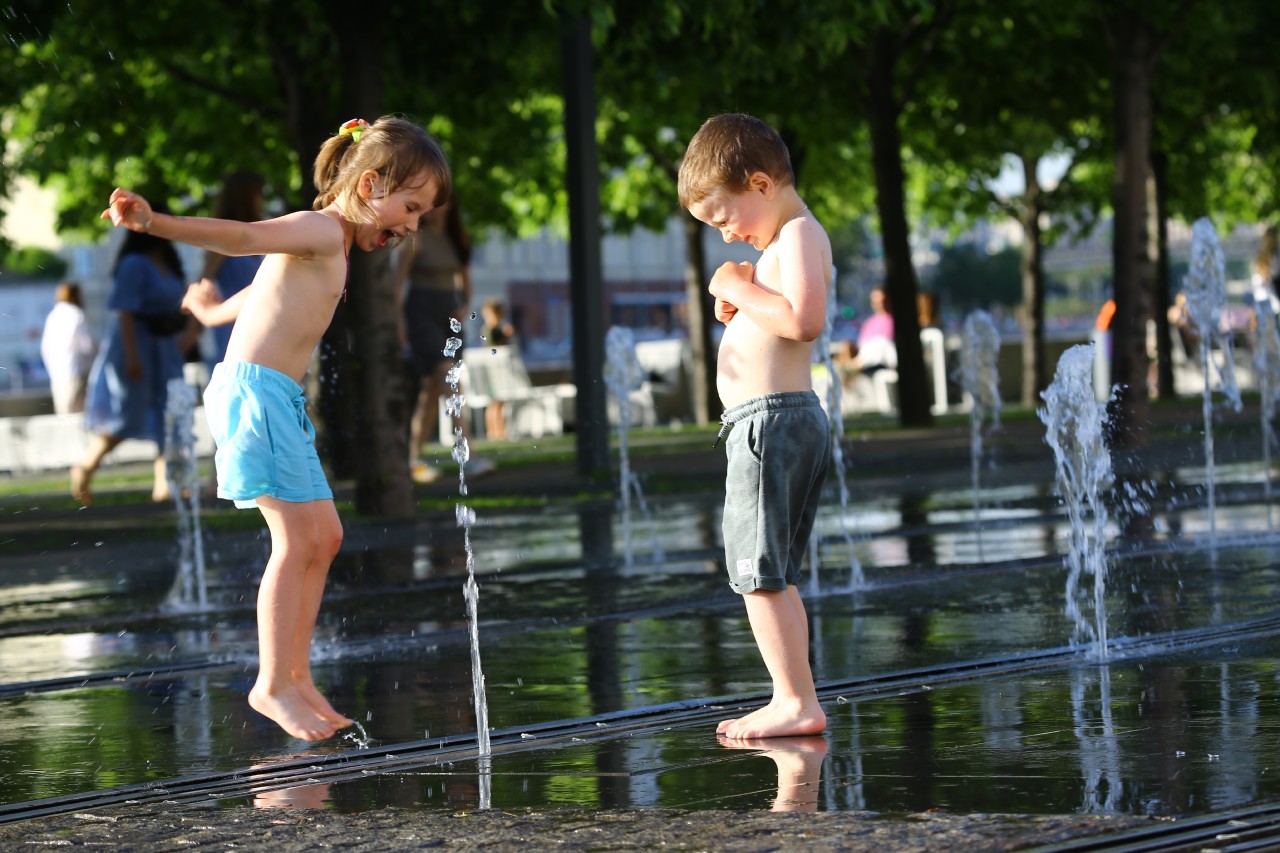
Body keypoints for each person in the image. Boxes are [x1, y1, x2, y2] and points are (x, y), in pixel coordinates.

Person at [104, 115, 452, 741]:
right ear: (370, 184)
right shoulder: (318, 228)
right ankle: (270, 684)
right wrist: (155, 224)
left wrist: (213, 310)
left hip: (277, 399)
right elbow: (242, 238)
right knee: (295, 540)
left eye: (423, 214)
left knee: (326, 535)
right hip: (254, 398)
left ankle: (296, 675)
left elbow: (267, 284)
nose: (413, 225)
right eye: (411, 206)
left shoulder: (330, 239)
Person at [678, 112, 832, 739]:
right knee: (773, 574)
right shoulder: (782, 242)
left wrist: (732, 286)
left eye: (724, 218)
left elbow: (802, 320)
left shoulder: (794, 235)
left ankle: (793, 700)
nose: (725, 237)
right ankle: (795, 696)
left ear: (762, 183)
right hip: (773, 422)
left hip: (770, 424)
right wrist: (743, 293)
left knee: (756, 572)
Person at [73, 209, 199, 505]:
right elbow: (125, 313)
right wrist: (132, 357)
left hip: (164, 346)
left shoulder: (168, 263)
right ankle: (86, 467)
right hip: (137, 344)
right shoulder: (134, 264)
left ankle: (164, 483)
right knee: (126, 414)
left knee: (169, 415)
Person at [395, 198, 493, 480]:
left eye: (442, 203)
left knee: (432, 389)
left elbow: (465, 277)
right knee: (448, 376)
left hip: (448, 314)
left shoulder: (455, 239)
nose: (437, 209)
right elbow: (398, 283)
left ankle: (412, 458)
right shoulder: (416, 239)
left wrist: (465, 303)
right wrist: (400, 324)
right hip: (421, 313)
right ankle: (468, 454)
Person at [200, 171, 267, 368]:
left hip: (259, 319)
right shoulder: (226, 237)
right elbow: (205, 279)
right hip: (231, 322)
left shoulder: (257, 235)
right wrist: (193, 328)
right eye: (259, 194)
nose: (261, 200)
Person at [40, 281, 97, 415]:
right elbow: (87, 347)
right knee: (78, 414)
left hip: (57, 373)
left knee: (63, 415)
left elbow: (45, 348)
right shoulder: (77, 314)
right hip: (76, 370)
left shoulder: (53, 315)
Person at [479, 297, 517, 439]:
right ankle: (497, 432)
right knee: (497, 403)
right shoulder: (493, 330)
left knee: (496, 404)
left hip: (494, 371)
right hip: (496, 372)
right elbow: (496, 348)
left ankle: (496, 432)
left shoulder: (488, 329)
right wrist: (506, 335)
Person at [851, 286, 896, 374]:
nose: (878, 304)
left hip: (885, 360)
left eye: (881, 301)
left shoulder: (893, 319)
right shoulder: (869, 322)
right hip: (867, 360)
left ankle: (852, 367)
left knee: (880, 343)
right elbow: (861, 344)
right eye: (875, 301)